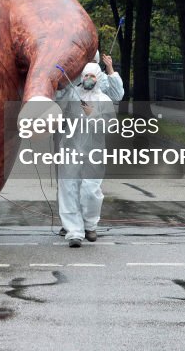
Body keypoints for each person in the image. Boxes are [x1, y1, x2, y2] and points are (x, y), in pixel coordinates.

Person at [54, 61, 115, 247]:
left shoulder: (104, 100)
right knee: (68, 188)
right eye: (86, 75)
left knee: (90, 191)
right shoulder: (72, 94)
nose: (88, 79)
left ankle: (90, 224)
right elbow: (57, 108)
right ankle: (74, 232)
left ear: (99, 78)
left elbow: (111, 126)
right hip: (71, 148)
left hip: (94, 150)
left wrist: (93, 114)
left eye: (93, 76)